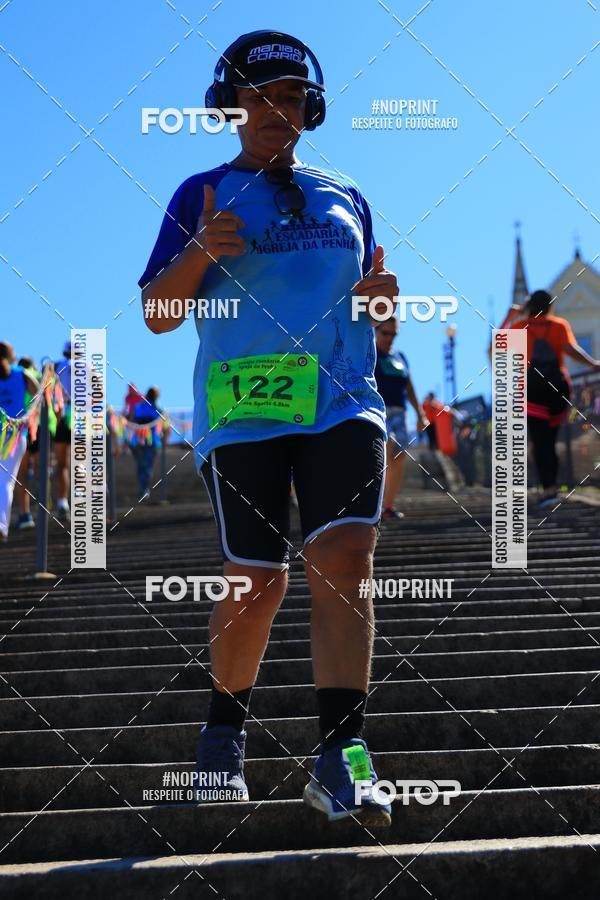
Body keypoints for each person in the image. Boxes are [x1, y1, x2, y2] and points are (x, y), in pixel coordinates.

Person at [139, 30, 399, 826]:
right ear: (232, 107)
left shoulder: (345, 193)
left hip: (342, 399)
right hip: (244, 404)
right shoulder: (201, 193)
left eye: (289, 97)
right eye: (259, 96)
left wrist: (383, 308)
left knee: (346, 556)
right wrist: (198, 256)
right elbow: (156, 313)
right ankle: (222, 739)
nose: (275, 110)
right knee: (259, 579)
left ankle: (342, 759)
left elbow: (374, 319)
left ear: (308, 108)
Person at [501, 289, 600, 508]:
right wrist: (593, 363)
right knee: (551, 440)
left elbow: (500, 348)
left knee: (540, 440)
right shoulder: (559, 325)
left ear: (529, 307)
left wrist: (510, 317)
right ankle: (553, 487)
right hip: (558, 388)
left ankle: (548, 490)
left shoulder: (519, 326)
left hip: (531, 390)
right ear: (549, 306)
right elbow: (570, 349)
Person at [374, 318, 427, 519]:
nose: (389, 338)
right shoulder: (370, 355)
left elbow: (410, 387)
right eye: (385, 333)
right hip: (378, 410)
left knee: (399, 456)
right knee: (387, 447)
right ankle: (373, 506)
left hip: (400, 412)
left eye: (393, 334)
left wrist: (420, 414)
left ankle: (388, 506)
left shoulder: (400, 356)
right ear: (376, 331)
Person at [0, 343, 38, 543]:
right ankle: (1, 525)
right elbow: (38, 395)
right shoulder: (21, 373)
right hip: (15, 434)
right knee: (6, 481)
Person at [15, 356, 57, 530]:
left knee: (22, 474)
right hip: (42, 425)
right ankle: (44, 505)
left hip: (21, 427)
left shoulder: (15, 377)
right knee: (42, 469)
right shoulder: (42, 377)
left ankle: (25, 515)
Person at [128, 387, 164, 501]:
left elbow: (132, 421)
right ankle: (144, 489)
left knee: (141, 465)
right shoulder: (158, 409)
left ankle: (142, 489)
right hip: (152, 441)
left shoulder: (138, 407)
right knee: (147, 466)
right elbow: (163, 424)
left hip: (137, 441)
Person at [53, 340, 72, 522]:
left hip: (62, 415)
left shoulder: (57, 366)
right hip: (82, 416)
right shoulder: (88, 366)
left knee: (62, 464)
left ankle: (62, 502)